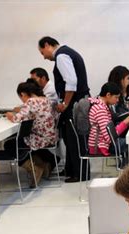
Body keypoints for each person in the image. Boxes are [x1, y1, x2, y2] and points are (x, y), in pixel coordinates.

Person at [38, 36, 90, 183]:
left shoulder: (61, 56)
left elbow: (71, 81)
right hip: (79, 102)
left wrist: (65, 103)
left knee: (74, 139)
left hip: (75, 104)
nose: (44, 57)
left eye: (42, 52)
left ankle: (80, 174)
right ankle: (72, 170)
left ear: (47, 45)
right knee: (71, 138)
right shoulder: (68, 53)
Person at [5, 80, 58, 187]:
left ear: (23, 94)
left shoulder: (31, 101)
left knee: (10, 144)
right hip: (50, 136)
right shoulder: (46, 100)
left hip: (39, 138)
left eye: (21, 97)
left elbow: (16, 118)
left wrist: (9, 115)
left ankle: (34, 169)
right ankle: (44, 164)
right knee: (20, 140)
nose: (23, 101)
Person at [88, 82, 129, 156]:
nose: (117, 100)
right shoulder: (99, 109)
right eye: (116, 97)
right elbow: (110, 137)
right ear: (108, 95)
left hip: (104, 144)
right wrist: (125, 122)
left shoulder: (101, 105)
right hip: (101, 147)